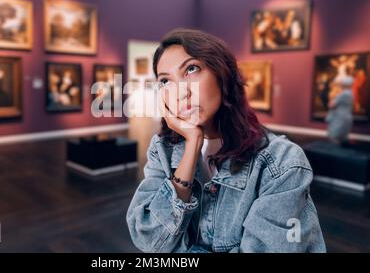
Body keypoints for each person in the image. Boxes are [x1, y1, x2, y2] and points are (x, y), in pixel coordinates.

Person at [126, 28, 326, 253]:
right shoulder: (162, 150)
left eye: (191, 69)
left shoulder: (281, 162)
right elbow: (148, 237)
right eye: (165, 81)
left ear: (222, 74)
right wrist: (192, 145)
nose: (181, 92)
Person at [326, 76, 354, 145]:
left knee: (335, 136)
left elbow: (331, 105)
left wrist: (332, 99)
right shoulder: (350, 93)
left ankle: (334, 152)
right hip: (346, 116)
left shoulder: (343, 94)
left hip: (339, 117)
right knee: (341, 136)